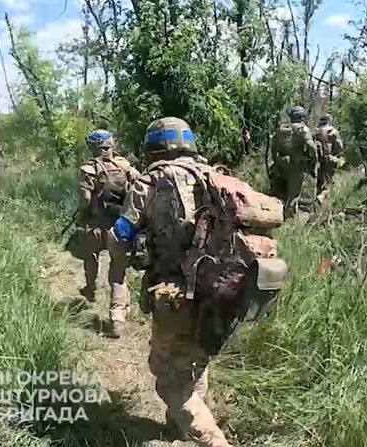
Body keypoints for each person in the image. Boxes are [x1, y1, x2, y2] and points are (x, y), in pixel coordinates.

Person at [109, 117, 233, 447]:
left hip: (175, 292)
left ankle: (214, 442)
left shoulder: (149, 182)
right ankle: (178, 427)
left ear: (154, 147)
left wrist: (124, 263)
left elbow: (121, 235)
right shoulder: (215, 175)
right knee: (195, 360)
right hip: (221, 290)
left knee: (167, 380)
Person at [78, 129, 139, 337]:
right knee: (118, 271)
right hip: (120, 228)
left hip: (96, 226)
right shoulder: (125, 165)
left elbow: (85, 199)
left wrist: (85, 215)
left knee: (90, 255)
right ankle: (117, 319)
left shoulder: (89, 169)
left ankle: (90, 287)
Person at [270, 106, 319, 217]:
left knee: (279, 191)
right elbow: (311, 146)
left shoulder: (282, 129)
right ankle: (289, 217)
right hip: (295, 164)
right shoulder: (303, 129)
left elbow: (273, 148)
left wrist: (277, 161)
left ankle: (274, 212)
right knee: (294, 193)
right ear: (302, 117)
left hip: (280, 163)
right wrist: (313, 161)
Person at [315, 114, 345, 201]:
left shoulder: (317, 131)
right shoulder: (332, 131)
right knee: (330, 180)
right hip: (331, 158)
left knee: (320, 181)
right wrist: (339, 155)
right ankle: (324, 199)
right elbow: (339, 146)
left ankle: (318, 201)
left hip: (318, 160)